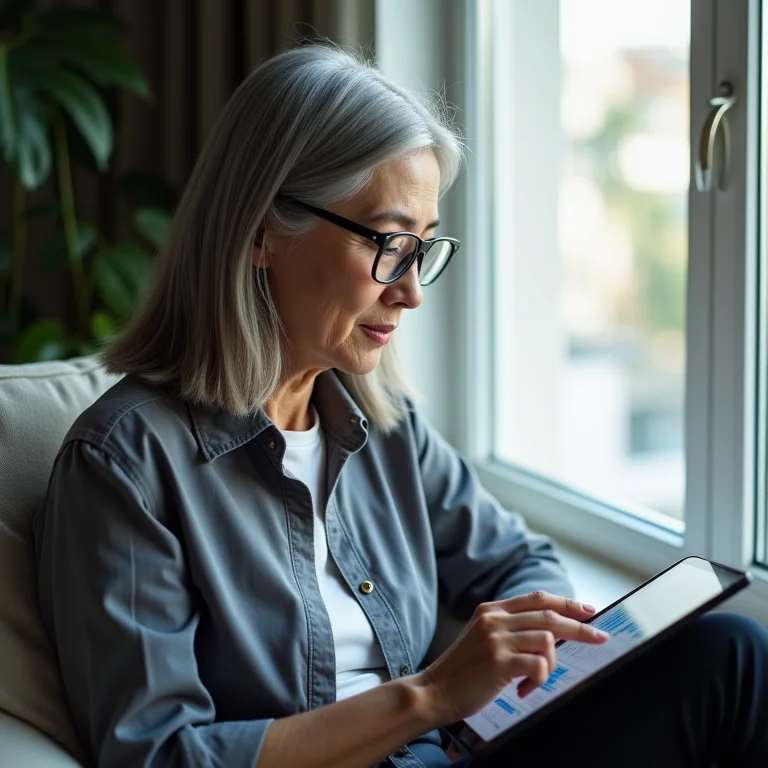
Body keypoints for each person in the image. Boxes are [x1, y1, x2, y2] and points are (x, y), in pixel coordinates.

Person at [33, 43, 768, 768]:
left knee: (732, 654)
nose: (411, 290)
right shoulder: (125, 465)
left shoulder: (381, 423)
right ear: (262, 233)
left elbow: (520, 561)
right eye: (388, 243)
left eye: (423, 249)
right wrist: (431, 697)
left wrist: (515, 658)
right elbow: (159, 756)